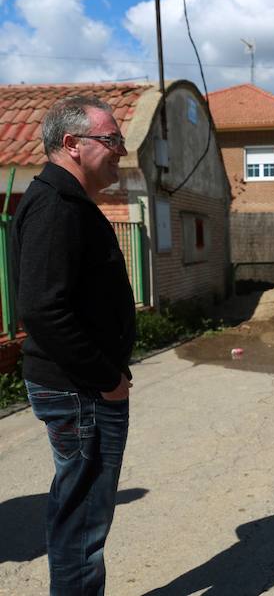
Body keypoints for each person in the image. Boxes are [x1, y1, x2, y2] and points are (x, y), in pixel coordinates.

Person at [11, 95, 136, 595]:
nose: (121, 150)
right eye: (111, 140)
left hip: (82, 388)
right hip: (80, 391)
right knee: (82, 521)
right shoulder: (55, 206)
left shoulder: (67, 202)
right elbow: (42, 309)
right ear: (72, 145)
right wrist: (107, 379)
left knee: (81, 515)